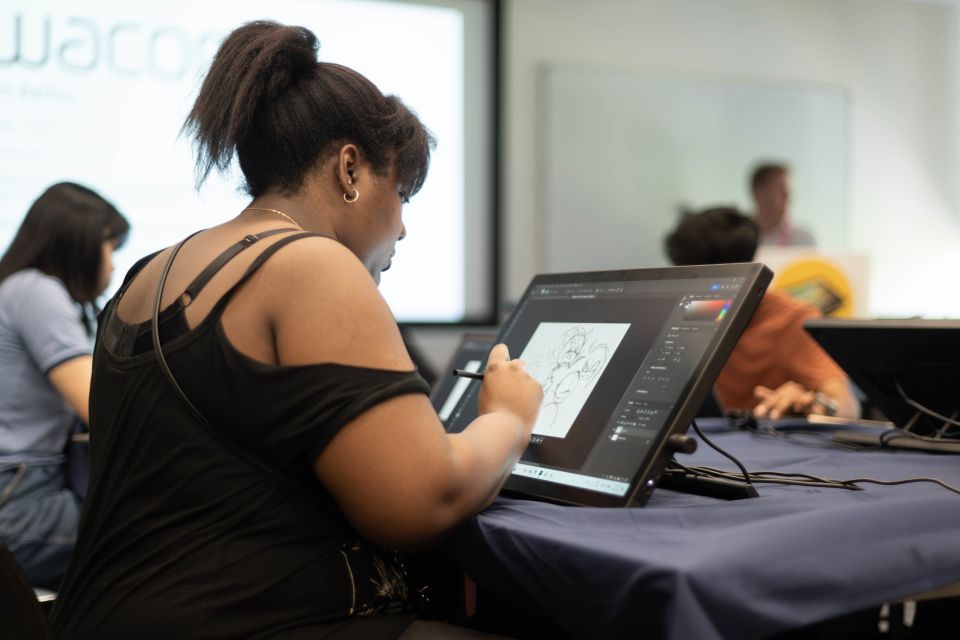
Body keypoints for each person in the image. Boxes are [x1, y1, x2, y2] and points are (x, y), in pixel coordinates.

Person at [50, 21, 542, 639]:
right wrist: (509, 419)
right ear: (351, 169)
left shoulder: (152, 271)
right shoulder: (311, 262)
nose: (404, 229)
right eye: (403, 196)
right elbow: (423, 502)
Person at [0, 182, 129, 588]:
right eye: (110, 247)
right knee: (160, 535)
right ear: (80, 243)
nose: (111, 266)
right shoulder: (37, 292)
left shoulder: (17, 288)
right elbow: (102, 407)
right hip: (19, 500)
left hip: (20, 488)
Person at [664, 206, 857, 419]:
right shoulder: (686, 317)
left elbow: (847, 406)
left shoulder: (791, 320)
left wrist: (815, 404)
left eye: (693, 278)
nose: (686, 290)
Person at [749, 162, 816, 246]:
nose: (788, 196)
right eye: (782, 190)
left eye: (788, 191)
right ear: (760, 192)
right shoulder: (736, 237)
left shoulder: (804, 240)